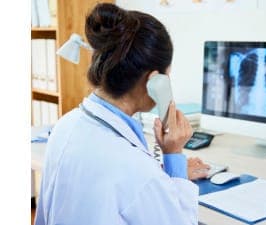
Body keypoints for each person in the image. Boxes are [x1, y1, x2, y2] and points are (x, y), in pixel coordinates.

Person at [34, 3, 210, 225]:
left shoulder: (66, 125)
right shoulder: (134, 168)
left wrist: (165, 177)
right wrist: (173, 153)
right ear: (154, 81)